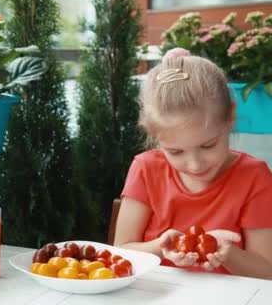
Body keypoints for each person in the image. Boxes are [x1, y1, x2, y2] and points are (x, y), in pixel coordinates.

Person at [114, 48, 272, 279]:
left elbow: (267, 272)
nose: (195, 165)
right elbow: (121, 252)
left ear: (230, 117)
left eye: (208, 146)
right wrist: (160, 246)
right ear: (154, 135)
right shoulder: (146, 169)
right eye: (175, 151)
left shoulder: (254, 176)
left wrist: (229, 254)